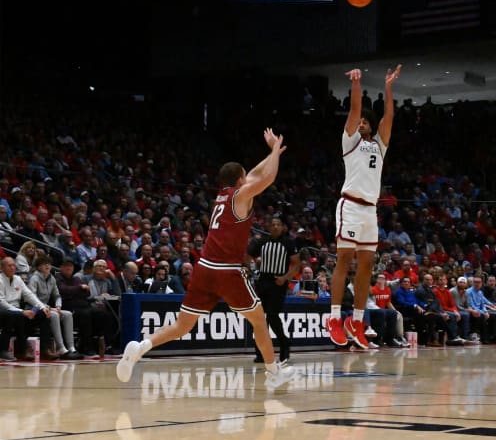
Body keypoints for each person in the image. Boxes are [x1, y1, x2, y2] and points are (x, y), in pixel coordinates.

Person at [117, 128, 296, 389]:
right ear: (239, 181)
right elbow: (266, 178)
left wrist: (272, 152)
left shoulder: (222, 196)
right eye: (244, 177)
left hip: (204, 269)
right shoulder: (240, 195)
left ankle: (141, 346)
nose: (248, 178)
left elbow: (256, 174)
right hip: (227, 271)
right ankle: (272, 373)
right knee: (259, 320)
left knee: (182, 325)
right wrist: (273, 156)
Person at [325, 64, 402, 349]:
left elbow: (389, 117)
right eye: (359, 123)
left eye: (365, 123)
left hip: (370, 209)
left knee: (367, 266)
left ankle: (356, 321)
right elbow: (355, 110)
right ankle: (334, 318)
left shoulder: (379, 145)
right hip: (350, 206)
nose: (361, 124)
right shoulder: (350, 142)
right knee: (345, 259)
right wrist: (356, 84)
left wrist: (389, 86)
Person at [247, 215, 300, 364]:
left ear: (283, 227)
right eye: (273, 224)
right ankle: (260, 352)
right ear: (269, 227)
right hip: (263, 281)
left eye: (278, 224)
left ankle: (284, 345)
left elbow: (296, 264)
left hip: (278, 283)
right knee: (260, 319)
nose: (275, 227)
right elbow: (247, 256)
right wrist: (250, 271)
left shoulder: (289, 243)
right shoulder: (262, 242)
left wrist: (285, 277)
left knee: (272, 316)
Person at [27, 255, 83, 359]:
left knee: (67, 314)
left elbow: (57, 295)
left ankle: (71, 347)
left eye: (49, 263)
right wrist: (49, 307)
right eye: (44, 264)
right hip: (35, 308)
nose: (47, 265)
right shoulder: (34, 278)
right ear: (39, 267)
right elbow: (32, 298)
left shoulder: (51, 278)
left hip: (48, 308)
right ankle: (61, 348)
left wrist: (58, 306)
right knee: (54, 315)